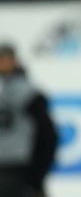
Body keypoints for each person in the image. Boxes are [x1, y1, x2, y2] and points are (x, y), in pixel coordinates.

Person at [0, 44, 58, 197]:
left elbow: (47, 135)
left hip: (19, 170)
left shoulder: (26, 93)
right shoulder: (27, 92)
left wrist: (36, 176)